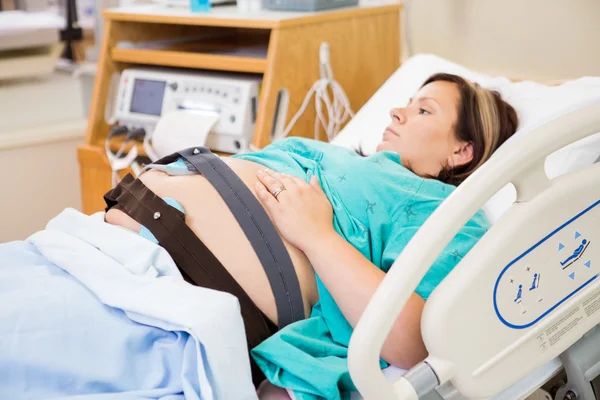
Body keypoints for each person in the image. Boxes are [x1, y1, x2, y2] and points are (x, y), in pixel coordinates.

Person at [1, 73, 518, 399]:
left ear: (462, 153)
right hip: (98, 252)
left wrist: (317, 236)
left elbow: (413, 342)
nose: (398, 111)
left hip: (169, 306)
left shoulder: (443, 210)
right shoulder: (338, 158)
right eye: (407, 100)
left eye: (425, 109)